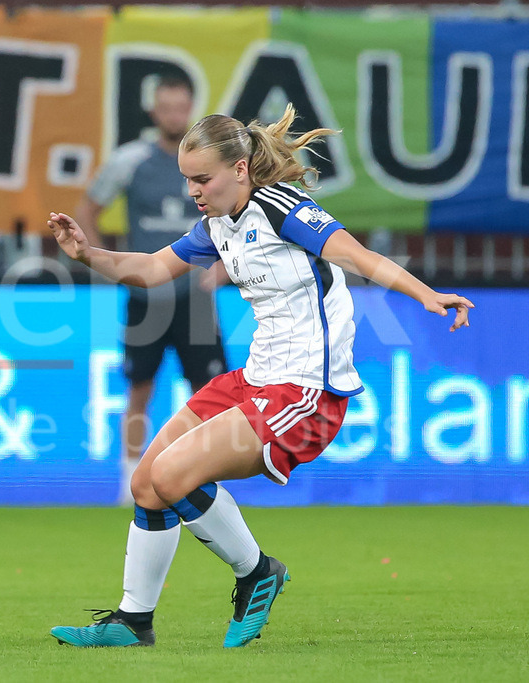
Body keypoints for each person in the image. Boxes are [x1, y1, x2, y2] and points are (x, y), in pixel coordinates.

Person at [46, 104, 472, 648]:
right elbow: (152, 269)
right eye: (187, 180)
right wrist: (87, 253)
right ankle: (134, 622)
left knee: (174, 476)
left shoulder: (284, 209)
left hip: (306, 391)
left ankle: (257, 572)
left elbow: (359, 257)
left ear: (240, 169)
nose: (194, 191)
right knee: (147, 483)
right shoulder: (217, 225)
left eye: (203, 179)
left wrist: (426, 294)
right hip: (254, 379)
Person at [74, 76, 227, 504]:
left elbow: (236, 218)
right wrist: (109, 264)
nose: (174, 116)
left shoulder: (211, 164)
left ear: (191, 109)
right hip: (146, 298)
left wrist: (224, 267)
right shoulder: (131, 160)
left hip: (196, 300)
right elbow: (87, 208)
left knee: (209, 394)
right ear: (154, 112)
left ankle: (205, 479)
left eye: (181, 108)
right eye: (166, 108)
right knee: (139, 389)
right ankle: (130, 482)